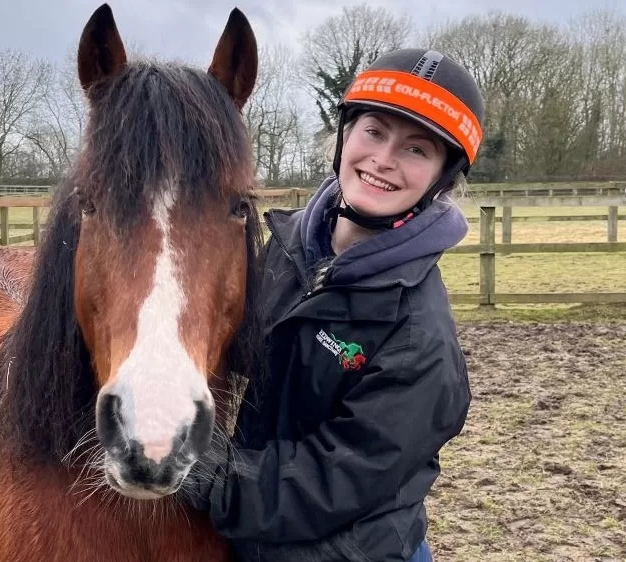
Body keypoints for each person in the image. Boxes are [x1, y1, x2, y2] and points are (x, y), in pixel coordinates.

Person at [179, 47, 485, 562]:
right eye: (374, 131)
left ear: (441, 178)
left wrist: (207, 473)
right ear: (345, 135)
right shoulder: (286, 244)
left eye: (416, 150)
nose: (383, 159)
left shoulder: (419, 341)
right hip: (255, 533)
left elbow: (329, 482)